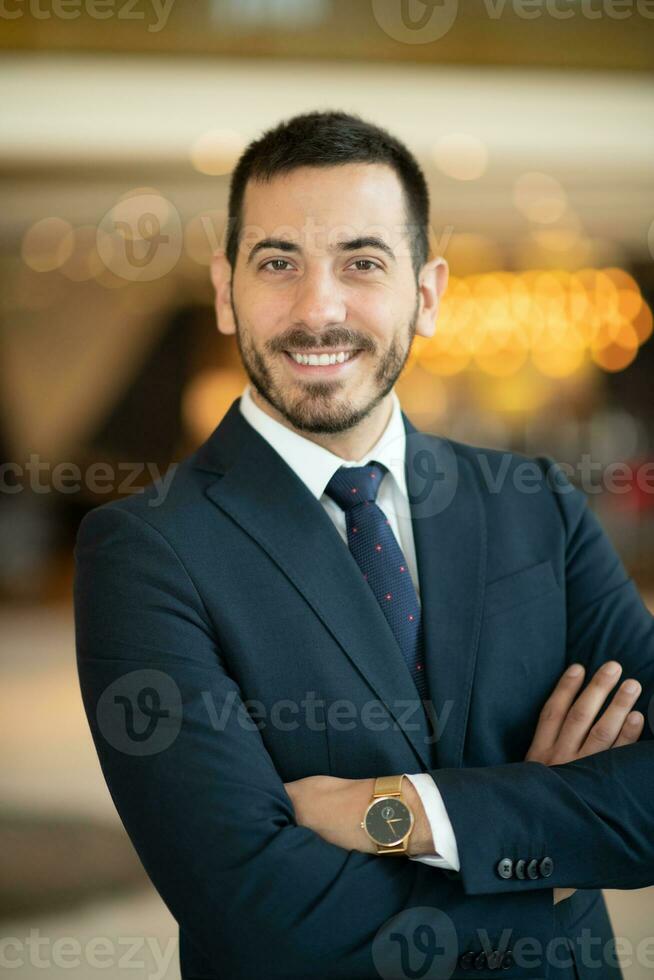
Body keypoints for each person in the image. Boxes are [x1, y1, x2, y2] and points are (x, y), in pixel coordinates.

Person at [74, 110, 653, 980]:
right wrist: (553, 865)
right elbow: (259, 911)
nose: (319, 310)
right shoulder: (144, 551)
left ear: (426, 294)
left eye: (362, 262)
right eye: (278, 263)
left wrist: (401, 813)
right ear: (226, 292)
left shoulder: (534, 503)